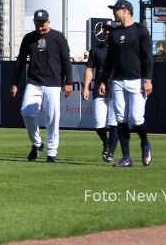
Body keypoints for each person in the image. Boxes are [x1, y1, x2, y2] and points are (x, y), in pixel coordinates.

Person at [99, 0, 154, 167]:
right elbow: (109, 61)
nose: (113, 12)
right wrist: (103, 80)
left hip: (137, 80)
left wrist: (148, 79)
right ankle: (126, 157)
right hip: (118, 81)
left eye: (115, 9)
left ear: (125, 11)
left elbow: (148, 57)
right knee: (121, 119)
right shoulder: (114, 34)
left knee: (136, 119)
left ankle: (145, 143)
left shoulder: (140, 30)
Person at [11, 9, 72, 162]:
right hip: (34, 82)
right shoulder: (29, 38)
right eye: (38, 24)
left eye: (43, 24)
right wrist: (14, 83)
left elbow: (66, 61)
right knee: (26, 113)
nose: (40, 27)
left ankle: (52, 152)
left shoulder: (58, 37)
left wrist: (69, 82)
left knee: (52, 118)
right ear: (34, 23)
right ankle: (37, 144)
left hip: (53, 83)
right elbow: (20, 61)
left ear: (48, 22)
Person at [82, 20, 117, 163]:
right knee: (98, 123)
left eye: (110, 29)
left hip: (116, 88)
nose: (107, 31)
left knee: (114, 122)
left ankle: (111, 153)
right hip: (99, 89)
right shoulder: (96, 49)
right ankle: (106, 142)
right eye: (105, 29)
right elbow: (89, 69)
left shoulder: (120, 48)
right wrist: (85, 87)